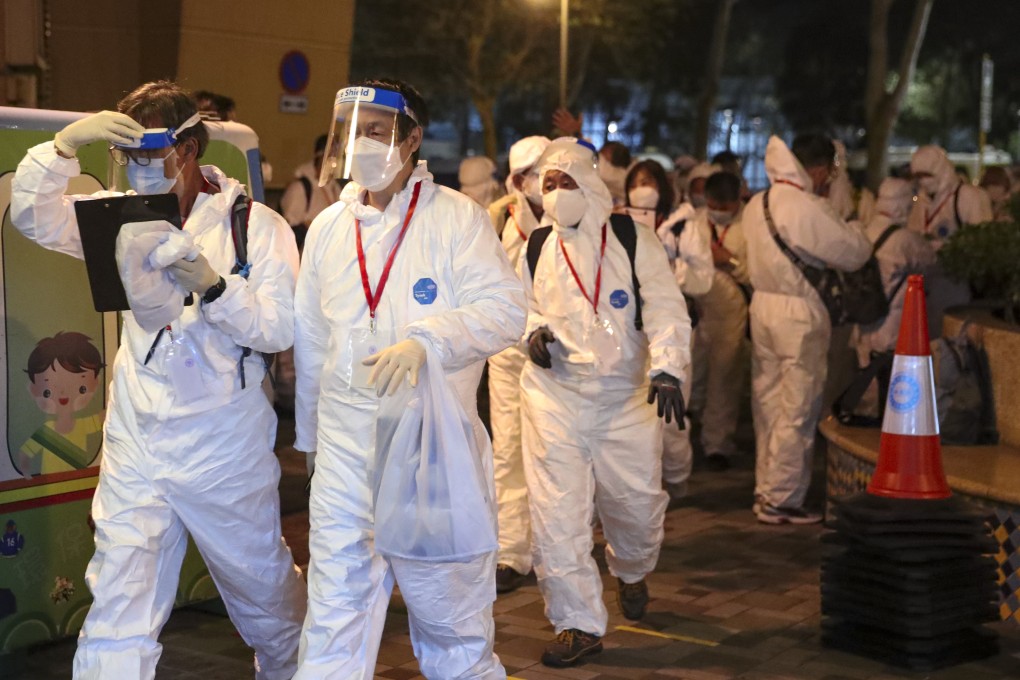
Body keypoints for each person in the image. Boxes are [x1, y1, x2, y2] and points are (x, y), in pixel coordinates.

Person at [10, 80, 306, 679]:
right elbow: (32, 217)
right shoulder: (111, 218)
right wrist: (63, 148)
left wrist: (215, 286)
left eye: (150, 154)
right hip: (138, 439)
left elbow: (278, 328)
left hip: (223, 444)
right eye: (126, 155)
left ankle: (293, 669)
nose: (139, 169)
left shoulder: (256, 226)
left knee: (263, 594)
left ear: (189, 150)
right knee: (120, 601)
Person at [292, 78, 525, 679]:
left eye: (377, 131)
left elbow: (505, 310)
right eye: (353, 131)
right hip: (345, 453)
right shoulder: (327, 229)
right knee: (333, 614)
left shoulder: (456, 219)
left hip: (430, 451)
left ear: (412, 139)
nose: (361, 144)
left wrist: (430, 341)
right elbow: (314, 342)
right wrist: (311, 440)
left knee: (451, 617)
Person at [519, 137, 691, 667]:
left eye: (565, 181)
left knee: (635, 508)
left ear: (589, 183)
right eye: (547, 184)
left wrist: (667, 367)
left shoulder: (632, 238)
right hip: (554, 397)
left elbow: (666, 307)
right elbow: (516, 304)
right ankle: (578, 623)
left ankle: (633, 569)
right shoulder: (536, 245)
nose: (555, 193)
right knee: (556, 515)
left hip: (626, 398)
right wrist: (530, 333)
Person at [742, 134, 871, 525]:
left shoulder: (755, 203)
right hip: (798, 313)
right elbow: (855, 253)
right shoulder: (805, 206)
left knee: (766, 403)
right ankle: (782, 498)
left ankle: (767, 489)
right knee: (796, 407)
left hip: (761, 306)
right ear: (816, 169)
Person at [624, 159, 711, 503]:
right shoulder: (615, 223)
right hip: (631, 328)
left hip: (672, 326)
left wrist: (660, 273)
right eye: (637, 181)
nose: (643, 188)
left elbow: (703, 277)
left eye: (650, 182)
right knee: (637, 409)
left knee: (671, 410)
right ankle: (642, 485)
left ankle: (676, 475)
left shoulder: (683, 226)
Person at [486, 135, 550, 594]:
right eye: (536, 173)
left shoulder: (579, 218)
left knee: (554, 456)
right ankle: (512, 551)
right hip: (507, 352)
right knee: (507, 452)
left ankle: (557, 548)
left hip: (556, 355)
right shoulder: (498, 220)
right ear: (518, 179)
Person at [851, 177, 937, 418]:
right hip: (890, 321)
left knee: (866, 376)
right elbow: (930, 263)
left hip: (863, 318)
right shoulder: (905, 240)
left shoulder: (864, 231)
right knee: (892, 386)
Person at [689, 171, 750, 471]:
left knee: (725, 377)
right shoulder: (693, 222)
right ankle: (691, 426)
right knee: (692, 371)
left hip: (732, 309)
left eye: (726, 205)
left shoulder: (751, 225)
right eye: (715, 203)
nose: (720, 210)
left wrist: (729, 261)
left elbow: (758, 273)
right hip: (695, 305)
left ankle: (717, 444)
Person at [907, 145, 993, 336]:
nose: (923, 181)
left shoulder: (969, 197)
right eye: (918, 176)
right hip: (926, 284)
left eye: (927, 175)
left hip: (957, 284)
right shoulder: (921, 201)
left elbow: (983, 245)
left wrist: (948, 248)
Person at [18, 331, 105, 477]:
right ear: (33, 390)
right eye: (48, 392)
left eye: (81, 389)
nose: (63, 394)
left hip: (76, 483)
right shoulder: (45, 431)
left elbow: (103, 416)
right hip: (52, 484)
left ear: (96, 383)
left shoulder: (84, 424)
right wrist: (27, 476)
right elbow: (24, 453)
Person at [280, 133, 342, 253]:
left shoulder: (335, 186)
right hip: (307, 258)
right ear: (321, 157)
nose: (336, 163)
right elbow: (288, 229)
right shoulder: (301, 187)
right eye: (333, 157)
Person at [598, 141, 631, 205]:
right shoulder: (624, 175)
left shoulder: (618, 176)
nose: (601, 154)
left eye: (602, 152)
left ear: (609, 151)